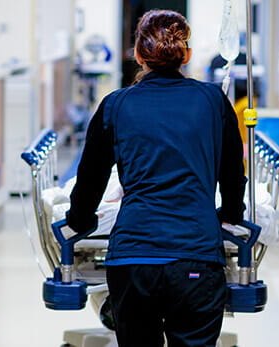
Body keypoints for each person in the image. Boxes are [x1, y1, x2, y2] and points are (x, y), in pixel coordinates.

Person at [67, 9, 247, 347]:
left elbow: (89, 178)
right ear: (187, 55)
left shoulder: (115, 105)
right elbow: (232, 173)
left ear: (137, 55)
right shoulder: (213, 101)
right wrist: (232, 215)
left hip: (134, 261)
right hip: (196, 256)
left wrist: (79, 220)